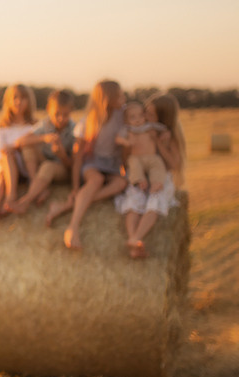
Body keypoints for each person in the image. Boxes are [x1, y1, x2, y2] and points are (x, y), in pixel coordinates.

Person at [44, 79, 128, 249]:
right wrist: (75, 187)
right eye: (119, 95)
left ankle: (66, 206)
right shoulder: (88, 122)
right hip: (93, 164)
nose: (123, 98)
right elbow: (78, 158)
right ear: (107, 99)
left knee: (121, 183)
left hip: (112, 165)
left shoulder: (124, 114)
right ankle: (72, 228)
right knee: (95, 180)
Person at [115, 93, 187, 258]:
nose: (144, 116)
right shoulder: (136, 129)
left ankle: (136, 238)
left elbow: (174, 164)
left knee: (154, 202)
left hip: (160, 178)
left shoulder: (168, 135)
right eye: (145, 111)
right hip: (140, 176)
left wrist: (159, 143)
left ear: (162, 118)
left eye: (150, 114)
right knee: (134, 200)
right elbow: (125, 160)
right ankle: (133, 238)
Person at [10, 89, 77, 215]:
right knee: (28, 147)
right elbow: (20, 142)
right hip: (43, 162)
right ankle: (38, 188)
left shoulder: (74, 130)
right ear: (48, 109)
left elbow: (73, 166)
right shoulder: (45, 124)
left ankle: (25, 201)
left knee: (48, 166)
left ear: (71, 111)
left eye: (66, 115)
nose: (61, 119)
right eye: (57, 114)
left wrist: (62, 154)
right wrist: (43, 138)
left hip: (61, 168)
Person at [0, 83, 37, 220]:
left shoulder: (34, 125)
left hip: (25, 168)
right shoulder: (2, 126)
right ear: (8, 102)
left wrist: (12, 149)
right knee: (2, 174)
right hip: (6, 167)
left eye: (23, 98)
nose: (18, 102)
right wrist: (1, 162)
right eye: (15, 98)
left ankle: (11, 196)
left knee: (8, 154)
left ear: (29, 101)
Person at [116, 101, 168, 193]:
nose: (138, 119)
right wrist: (126, 142)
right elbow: (118, 138)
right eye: (133, 117)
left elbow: (163, 128)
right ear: (126, 120)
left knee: (158, 165)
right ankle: (140, 181)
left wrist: (165, 134)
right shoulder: (127, 129)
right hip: (136, 157)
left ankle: (156, 183)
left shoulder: (149, 126)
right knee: (133, 165)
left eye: (141, 115)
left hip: (151, 156)